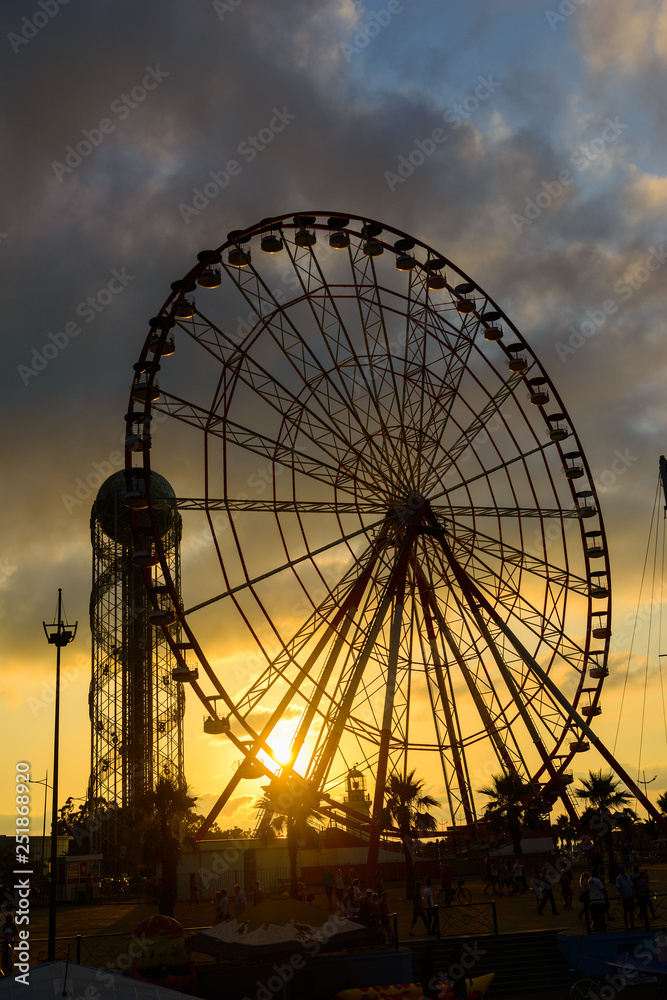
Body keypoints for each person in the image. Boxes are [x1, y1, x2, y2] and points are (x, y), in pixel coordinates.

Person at [616, 865, 635, 930]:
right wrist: (623, 895)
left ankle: (632, 924)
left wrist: (632, 893)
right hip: (625, 897)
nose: (623, 871)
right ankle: (626, 925)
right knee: (626, 911)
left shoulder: (627, 877)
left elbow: (631, 885)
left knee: (631, 911)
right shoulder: (618, 878)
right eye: (622, 870)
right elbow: (618, 887)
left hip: (630, 896)